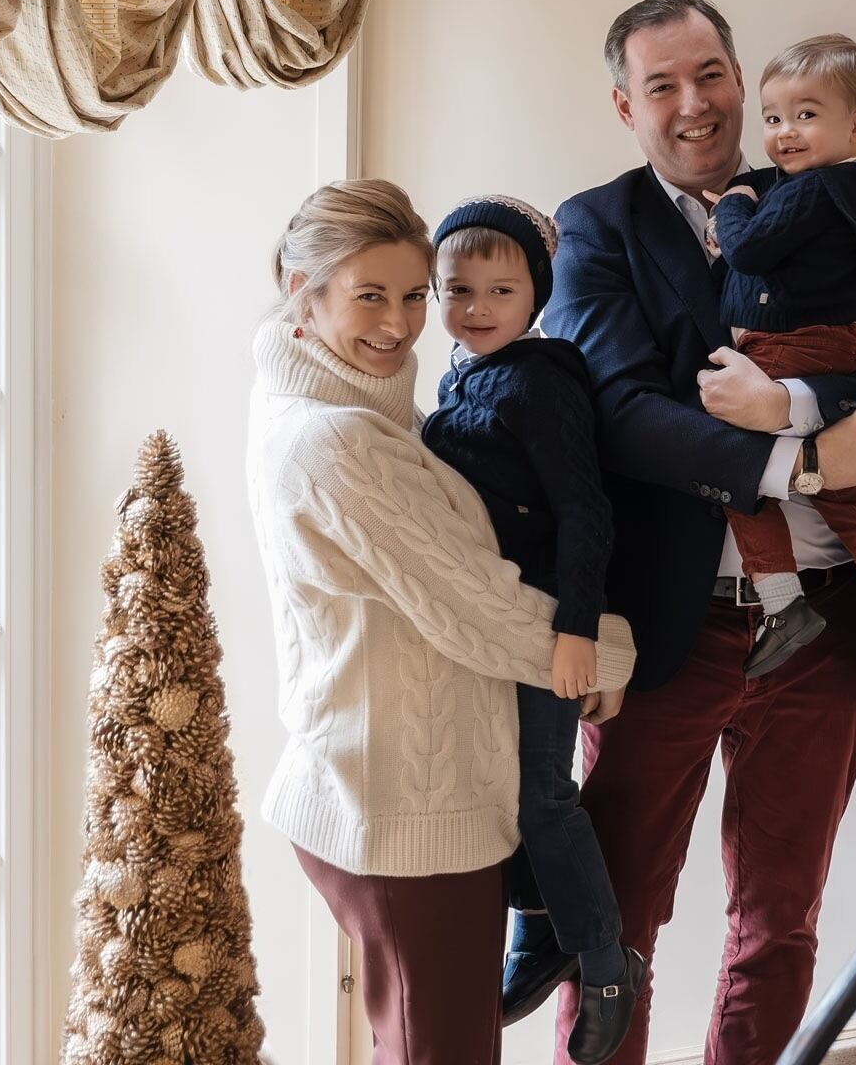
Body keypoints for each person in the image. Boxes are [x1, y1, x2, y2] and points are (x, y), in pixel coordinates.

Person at [522, 0, 856, 1065]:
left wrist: (800, 407)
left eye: (709, 73)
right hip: (669, 632)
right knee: (615, 924)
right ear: (627, 106)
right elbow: (621, 411)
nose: (695, 102)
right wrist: (796, 463)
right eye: (662, 84)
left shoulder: (836, 205)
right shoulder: (595, 226)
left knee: (780, 920)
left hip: (831, 624)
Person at [245, 180, 636, 1065]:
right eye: (369, 296)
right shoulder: (338, 442)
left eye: (415, 295)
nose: (400, 322)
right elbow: (475, 608)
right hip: (405, 816)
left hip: (379, 794)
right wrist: (608, 654)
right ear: (303, 291)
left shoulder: (355, 413)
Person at [421, 195, 645, 1065]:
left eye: (499, 290)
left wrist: (579, 634)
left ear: (536, 297)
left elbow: (586, 513)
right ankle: (543, 936)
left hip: (544, 622)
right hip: (496, 618)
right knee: (507, 791)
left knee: (542, 794)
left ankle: (604, 963)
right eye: (456, 288)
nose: (475, 306)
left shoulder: (540, 381)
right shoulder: (463, 372)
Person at [704, 33, 856, 683]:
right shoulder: (855, 193)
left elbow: (750, 251)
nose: (783, 134)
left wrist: (732, 207)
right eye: (773, 117)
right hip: (828, 345)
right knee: (838, 483)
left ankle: (784, 607)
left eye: (805, 115)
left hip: (791, 350)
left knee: (738, 473)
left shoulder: (815, 190)